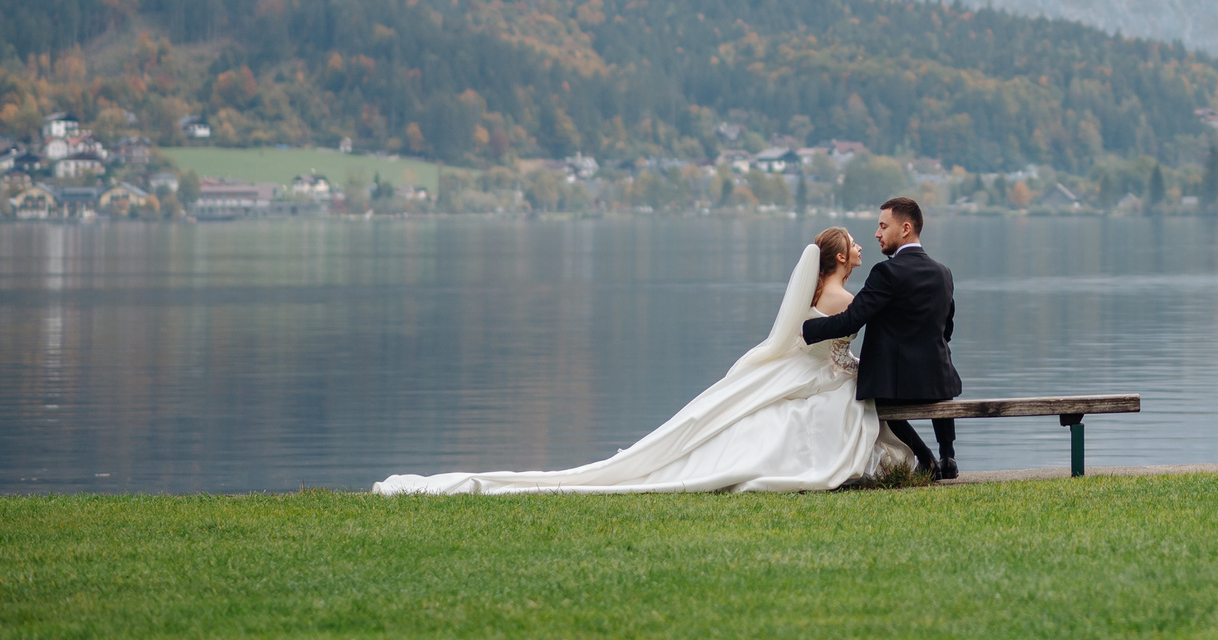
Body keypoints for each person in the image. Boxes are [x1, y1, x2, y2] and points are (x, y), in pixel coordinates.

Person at [373, 227, 917, 495]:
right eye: (856, 246)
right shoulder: (842, 298)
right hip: (823, 376)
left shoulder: (823, 292)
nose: (864, 248)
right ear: (841, 258)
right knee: (825, 417)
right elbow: (843, 336)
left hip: (812, 369)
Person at [803, 197, 962, 480]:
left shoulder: (886, 272)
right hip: (939, 379)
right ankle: (948, 456)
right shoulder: (943, 273)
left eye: (883, 226)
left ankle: (926, 457)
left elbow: (852, 320)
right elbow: (946, 330)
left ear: (905, 228)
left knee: (877, 405)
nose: (877, 234)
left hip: (894, 384)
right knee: (940, 381)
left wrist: (808, 330)